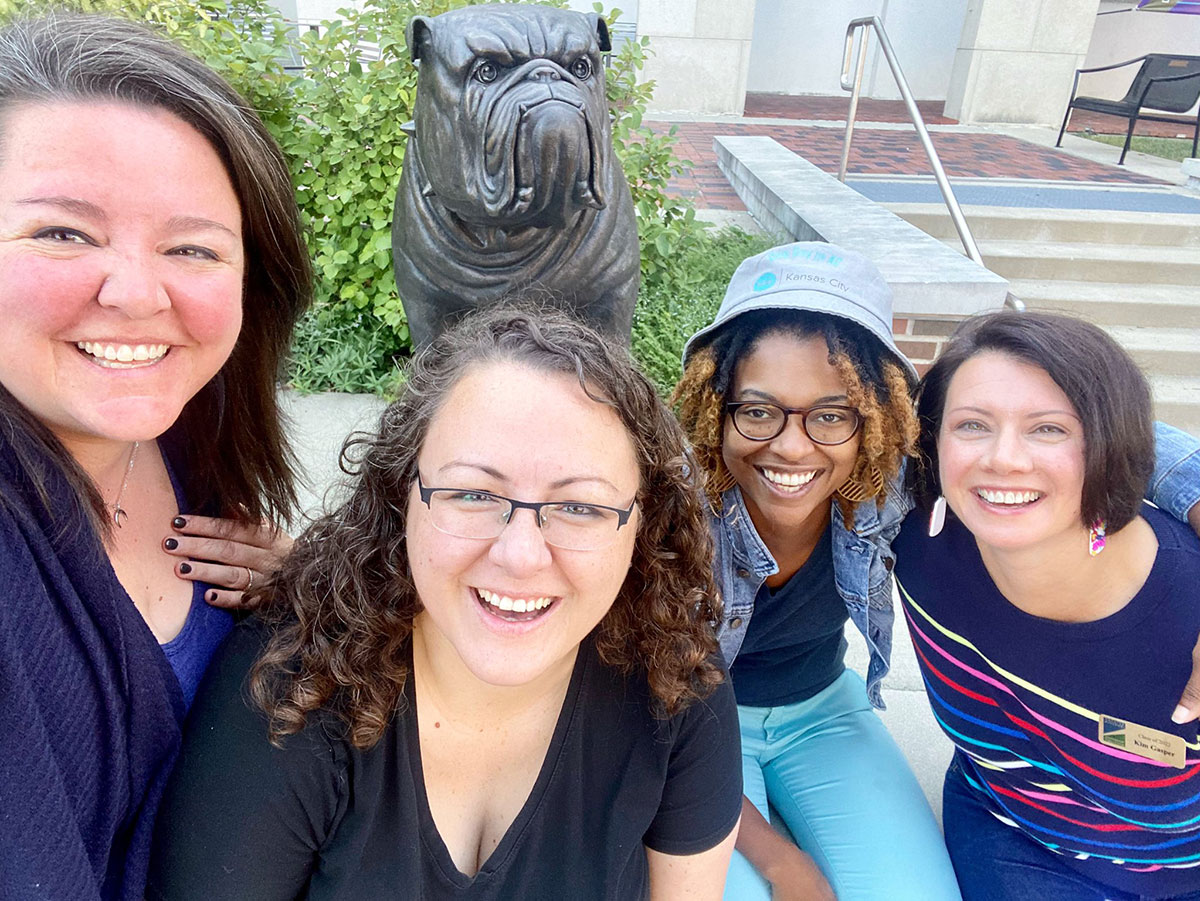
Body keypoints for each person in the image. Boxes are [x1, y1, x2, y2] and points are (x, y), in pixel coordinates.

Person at [147, 307, 743, 900]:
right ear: (401, 495)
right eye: (472, 493)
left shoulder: (676, 678)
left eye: (581, 506)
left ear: (645, 522)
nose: (521, 555)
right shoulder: (295, 688)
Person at [673, 243, 1200, 901]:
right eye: (757, 409)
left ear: (879, 415)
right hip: (693, 726)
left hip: (822, 711)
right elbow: (655, 714)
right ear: (714, 401)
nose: (791, 443)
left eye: (832, 413)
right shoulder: (670, 517)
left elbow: (1106, 426)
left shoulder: (894, 481)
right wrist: (783, 863)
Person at [0, 14, 310, 900]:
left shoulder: (184, 440)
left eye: (192, 247)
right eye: (63, 233)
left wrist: (299, 594)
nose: (137, 292)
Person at [897, 311, 1200, 900]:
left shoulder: (1184, 607)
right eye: (972, 425)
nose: (1003, 459)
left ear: (1108, 442)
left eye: (1048, 430)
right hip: (1012, 833)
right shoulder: (918, 547)